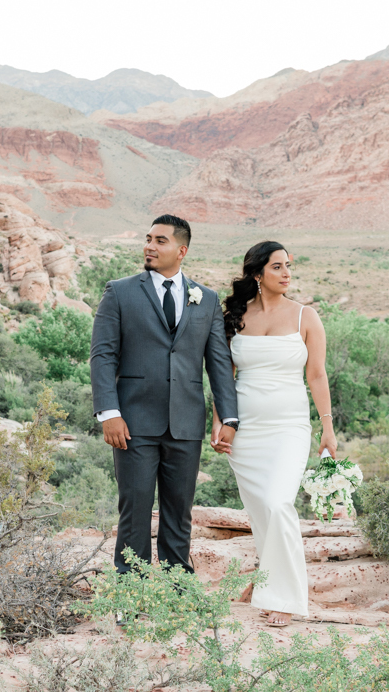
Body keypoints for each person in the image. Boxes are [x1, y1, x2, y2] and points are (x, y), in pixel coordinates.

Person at [90, 214, 239, 575]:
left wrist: (229, 417)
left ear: (181, 250)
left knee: (178, 511)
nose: (149, 246)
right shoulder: (120, 291)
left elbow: (218, 363)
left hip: (186, 423)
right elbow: (102, 355)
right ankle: (131, 593)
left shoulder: (206, 299)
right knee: (135, 509)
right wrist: (108, 413)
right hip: (133, 423)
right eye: (148, 239)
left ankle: (176, 592)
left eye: (160, 241)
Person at [211, 241, 336, 628]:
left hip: (288, 427)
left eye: (289, 267)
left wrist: (328, 428)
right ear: (257, 273)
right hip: (245, 432)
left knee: (279, 502)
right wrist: (220, 424)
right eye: (278, 267)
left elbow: (316, 375)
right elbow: (222, 379)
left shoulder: (305, 317)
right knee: (261, 513)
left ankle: (288, 599)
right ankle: (271, 588)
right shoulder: (234, 316)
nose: (287, 273)